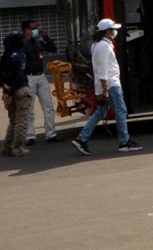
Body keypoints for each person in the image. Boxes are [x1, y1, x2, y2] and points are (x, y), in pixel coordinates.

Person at [71, 19, 143, 156]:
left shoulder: (98, 45)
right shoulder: (103, 47)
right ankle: (124, 143)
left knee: (100, 112)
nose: (115, 31)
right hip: (111, 85)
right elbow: (102, 70)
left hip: (106, 84)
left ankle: (81, 139)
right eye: (113, 29)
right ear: (107, 31)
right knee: (121, 112)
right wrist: (105, 91)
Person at [20, 19, 60, 144]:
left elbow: (53, 48)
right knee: (29, 109)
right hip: (28, 78)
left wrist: (45, 36)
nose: (37, 30)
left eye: (37, 28)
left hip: (41, 76)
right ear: (26, 30)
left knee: (48, 107)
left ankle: (51, 134)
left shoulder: (38, 41)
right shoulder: (20, 43)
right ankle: (30, 136)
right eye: (34, 28)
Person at [2, 32, 34, 157]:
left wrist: (5, 89)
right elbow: (20, 76)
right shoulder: (19, 56)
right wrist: (10, 91)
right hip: (20, 90)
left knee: (13, 120)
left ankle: (7, 148)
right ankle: (18, 148)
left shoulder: (5, 56)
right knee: (22, 120)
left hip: (7, 91)